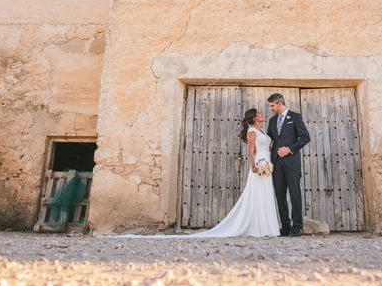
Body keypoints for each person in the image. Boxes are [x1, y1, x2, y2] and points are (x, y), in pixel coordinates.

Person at [105, 108, 279, 238]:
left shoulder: (262, 130)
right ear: (254, 117)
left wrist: (268, 161)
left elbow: (267, 146)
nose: (262, 115)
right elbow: (250, 150)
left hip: (267, 162)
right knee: (258, 193)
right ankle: (258, 227)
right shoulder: (251, 131)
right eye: (260, 113)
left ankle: (266, 227)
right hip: (258, 163)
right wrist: (254, 166)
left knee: (266, 193)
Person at [267, 93, 311, 237]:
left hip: (292, 162)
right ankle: (285, 226)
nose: (271, 109)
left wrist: (290, 149)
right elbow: (269, 141)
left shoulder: (295, 117)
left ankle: (297, 227)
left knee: (294, 194)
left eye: (272, 106)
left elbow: (305, 137)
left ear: (279, 103)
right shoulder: (272, 121)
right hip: (276, 164)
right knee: (280, 195)